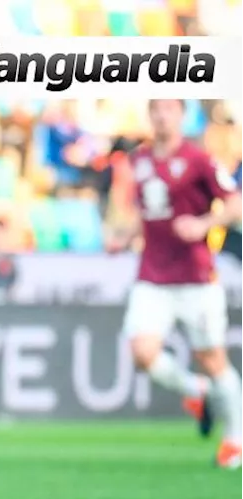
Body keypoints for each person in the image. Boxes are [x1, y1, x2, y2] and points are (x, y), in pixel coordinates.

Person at [106, 99, 243, 469]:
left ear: (182, 115)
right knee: (141, 351)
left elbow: (236, 204)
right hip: (152, 275)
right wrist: (124, 236)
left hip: (196, 277)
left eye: (169, 110)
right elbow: (146, 212)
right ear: (149, 115)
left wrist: (203, 225)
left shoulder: (200, 160)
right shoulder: (139, 161)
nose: (162, 116)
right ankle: (195, 390)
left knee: (212, 358)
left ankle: (235, 439)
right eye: (156, 110)